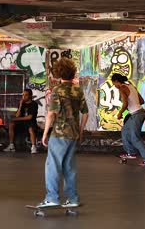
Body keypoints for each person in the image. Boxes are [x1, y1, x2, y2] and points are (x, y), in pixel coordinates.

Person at [37, 58, 89, 208]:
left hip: (59, 134)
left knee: (52, 166)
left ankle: (52, 197)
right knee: (69, 167)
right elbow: (85, 113)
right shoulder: (77, 90)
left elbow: (51, 113)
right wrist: (80, 131)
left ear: (58, 73)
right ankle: (72, 199)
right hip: (73, 135)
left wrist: (45, 133)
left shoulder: (57, 90)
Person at [111, 73, 145, 166]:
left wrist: (120, 113)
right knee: (125, 131)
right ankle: (131, 153)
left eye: (114, 83)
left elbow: (125, 104)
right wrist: (133, 103)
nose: (114, 86)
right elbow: (142, 101)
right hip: (139, 113)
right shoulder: (131, 86)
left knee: (134, 137)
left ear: (116, 81)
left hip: (136, 114)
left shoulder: (122, 88)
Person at [3, 89, 39, 154]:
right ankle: (11, 145)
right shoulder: (21, 103)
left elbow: (30, 117)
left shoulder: (34, 104)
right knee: (11, 124)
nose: (24, 96)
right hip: (22, 122)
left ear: (30, 96)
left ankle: (34, 147)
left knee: (31, 128)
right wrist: (20, 106)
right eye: (23, 95)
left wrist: (16, 119)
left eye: (26, 95)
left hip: (30, 122)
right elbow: (17, 115)